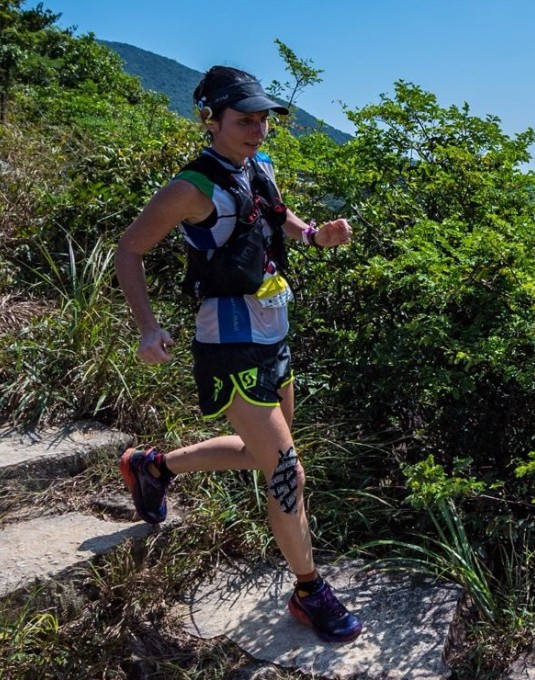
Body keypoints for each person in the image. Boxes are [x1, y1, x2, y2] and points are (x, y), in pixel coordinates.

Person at [114, 65, 362, 644]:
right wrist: (148, 328)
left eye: (262, 119)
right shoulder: (189, 188)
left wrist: (313, 235)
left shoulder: (259, 166)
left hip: (273, 328)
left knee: (263, 457)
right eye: (244, 120)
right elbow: (130, 249)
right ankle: (309, 590)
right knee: (286, 471)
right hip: (227, 340)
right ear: (212, 119)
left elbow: (275, 216)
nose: (258, 129)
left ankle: (152, 468)